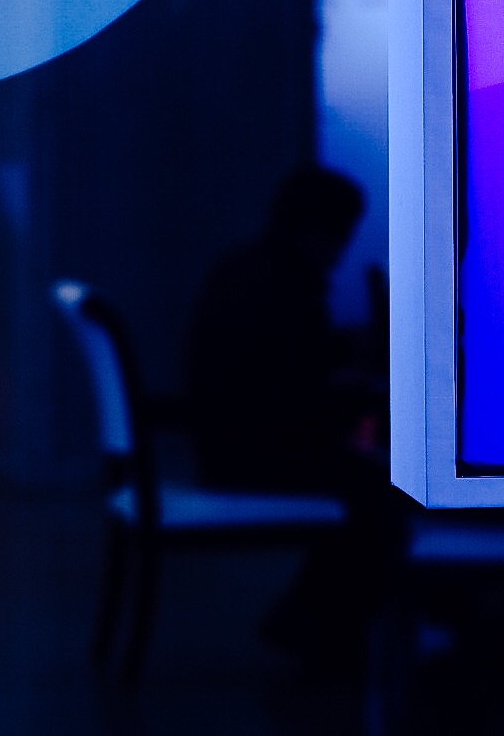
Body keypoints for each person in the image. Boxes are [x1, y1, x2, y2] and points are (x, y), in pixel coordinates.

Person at [182, 164, 399, 674]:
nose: (342, 248)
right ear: (317, 230)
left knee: (373, 487)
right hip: (255, 454)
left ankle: (311, 622)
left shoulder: (249, 271)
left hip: (232, 447)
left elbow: (284, 367)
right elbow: (294, 390)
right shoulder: (284, 286)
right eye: (340, 234)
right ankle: (318, 627)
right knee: (385, 493)